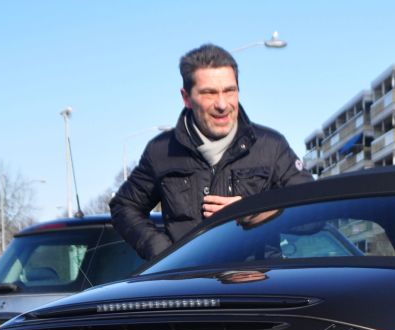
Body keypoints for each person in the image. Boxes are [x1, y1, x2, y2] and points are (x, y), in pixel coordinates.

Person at [111, 43, 312, 261]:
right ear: (186, 97)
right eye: (209, 93)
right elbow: (124, 207)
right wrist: (166, 256)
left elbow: (313, 214)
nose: (222, 104)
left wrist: (256, 211)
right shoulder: (161, 152)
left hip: (259, 287)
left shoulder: (271, 146)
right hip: (190, 288)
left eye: (229, 91)